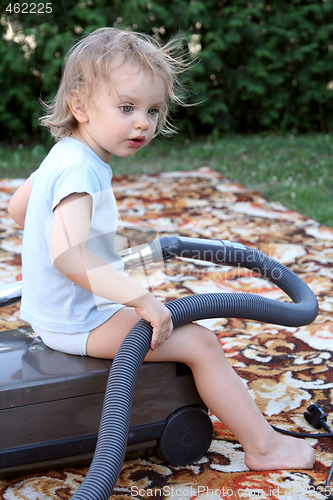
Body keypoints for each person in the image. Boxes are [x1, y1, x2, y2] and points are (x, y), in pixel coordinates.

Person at [7, 27, 315, 471]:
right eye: (127, 107)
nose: (143, 123)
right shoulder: (82, 171)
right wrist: (141, 299)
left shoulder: (65, 152)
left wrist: (93, 249)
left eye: (152, 110)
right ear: (79, 105)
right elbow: (69, 256)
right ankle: (264, 447)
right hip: (77, 321)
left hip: (53, 311)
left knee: (176, 320)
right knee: (202, 343)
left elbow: (21, 209)